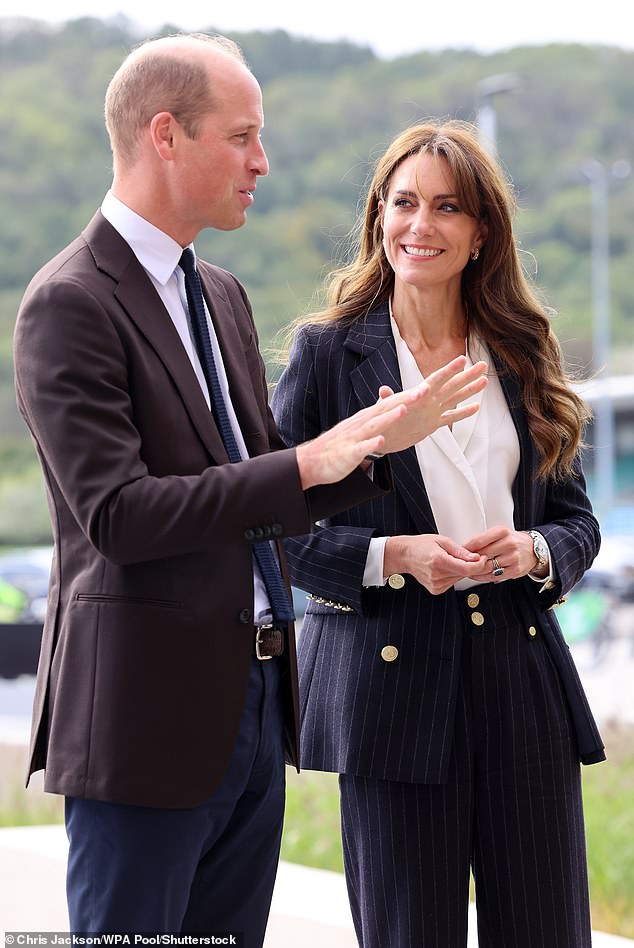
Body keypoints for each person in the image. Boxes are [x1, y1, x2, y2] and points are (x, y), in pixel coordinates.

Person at [12, 39, 488, 944]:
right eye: (242, 137)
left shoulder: (221, 294)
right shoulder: (68, 301)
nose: (261, 162)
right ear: (166, 136)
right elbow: (118, 515)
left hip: (257, 711)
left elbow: (260, 487)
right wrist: (312, 460)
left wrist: (372, 449)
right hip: (144, 730)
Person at [271, 120, 605, 948]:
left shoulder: (521, 353)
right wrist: (392, 558)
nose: (420, 225)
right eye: (404, 202)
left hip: (520, 680)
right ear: (379, 217)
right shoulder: (325, 355)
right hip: (391, 695)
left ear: (481, 230)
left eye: (447, 207)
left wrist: (535, 552)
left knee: (545, 933)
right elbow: (268, 526)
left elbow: (576, 523)